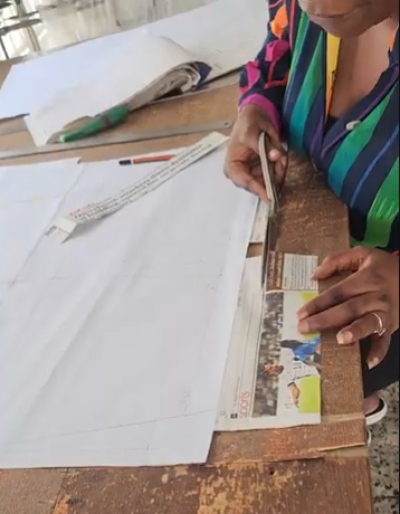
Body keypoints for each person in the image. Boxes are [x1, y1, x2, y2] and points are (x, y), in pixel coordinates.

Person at [225, 0, 399, 428]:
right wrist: (255, 108)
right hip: (305, 251)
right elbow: (276, 51)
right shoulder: (298, 7)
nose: (312, 4)